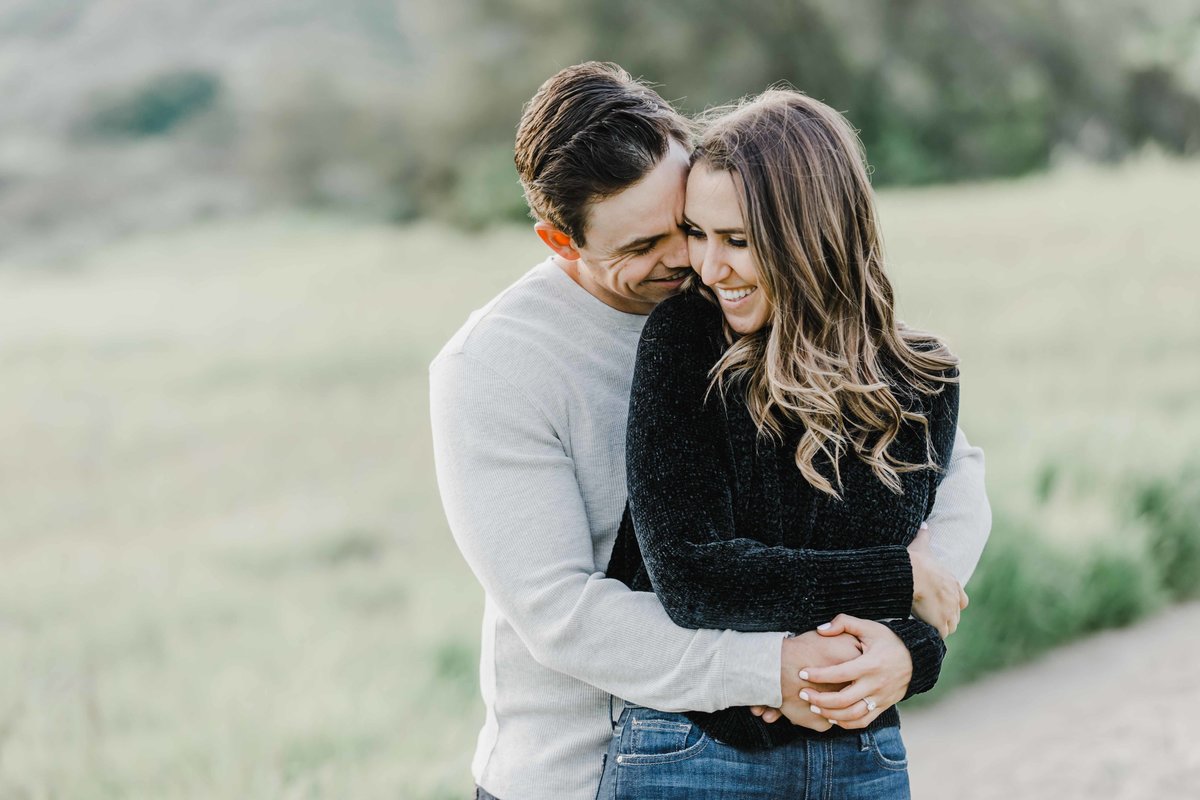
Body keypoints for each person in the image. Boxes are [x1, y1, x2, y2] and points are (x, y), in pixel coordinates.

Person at [429, 63, 991, 800]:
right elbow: (562, 612)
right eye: (641, 248)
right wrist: (775, 668)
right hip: (573, 771)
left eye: (688, 225)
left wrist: (904, 641)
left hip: (798, 743)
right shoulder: (496, 366)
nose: (687, 260)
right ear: (560, 242)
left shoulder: (747, 300)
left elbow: (950, 474)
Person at [597, 88, 967, 799]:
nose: (709, 268)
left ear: (813, 233)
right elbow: (693, 577)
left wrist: (914, 655)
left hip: (865, 753)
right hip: (696, 752)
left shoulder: (925, 379)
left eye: (737, 240)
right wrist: (899, 576)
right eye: (697, 234)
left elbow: (917, 607)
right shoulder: (686, 343)